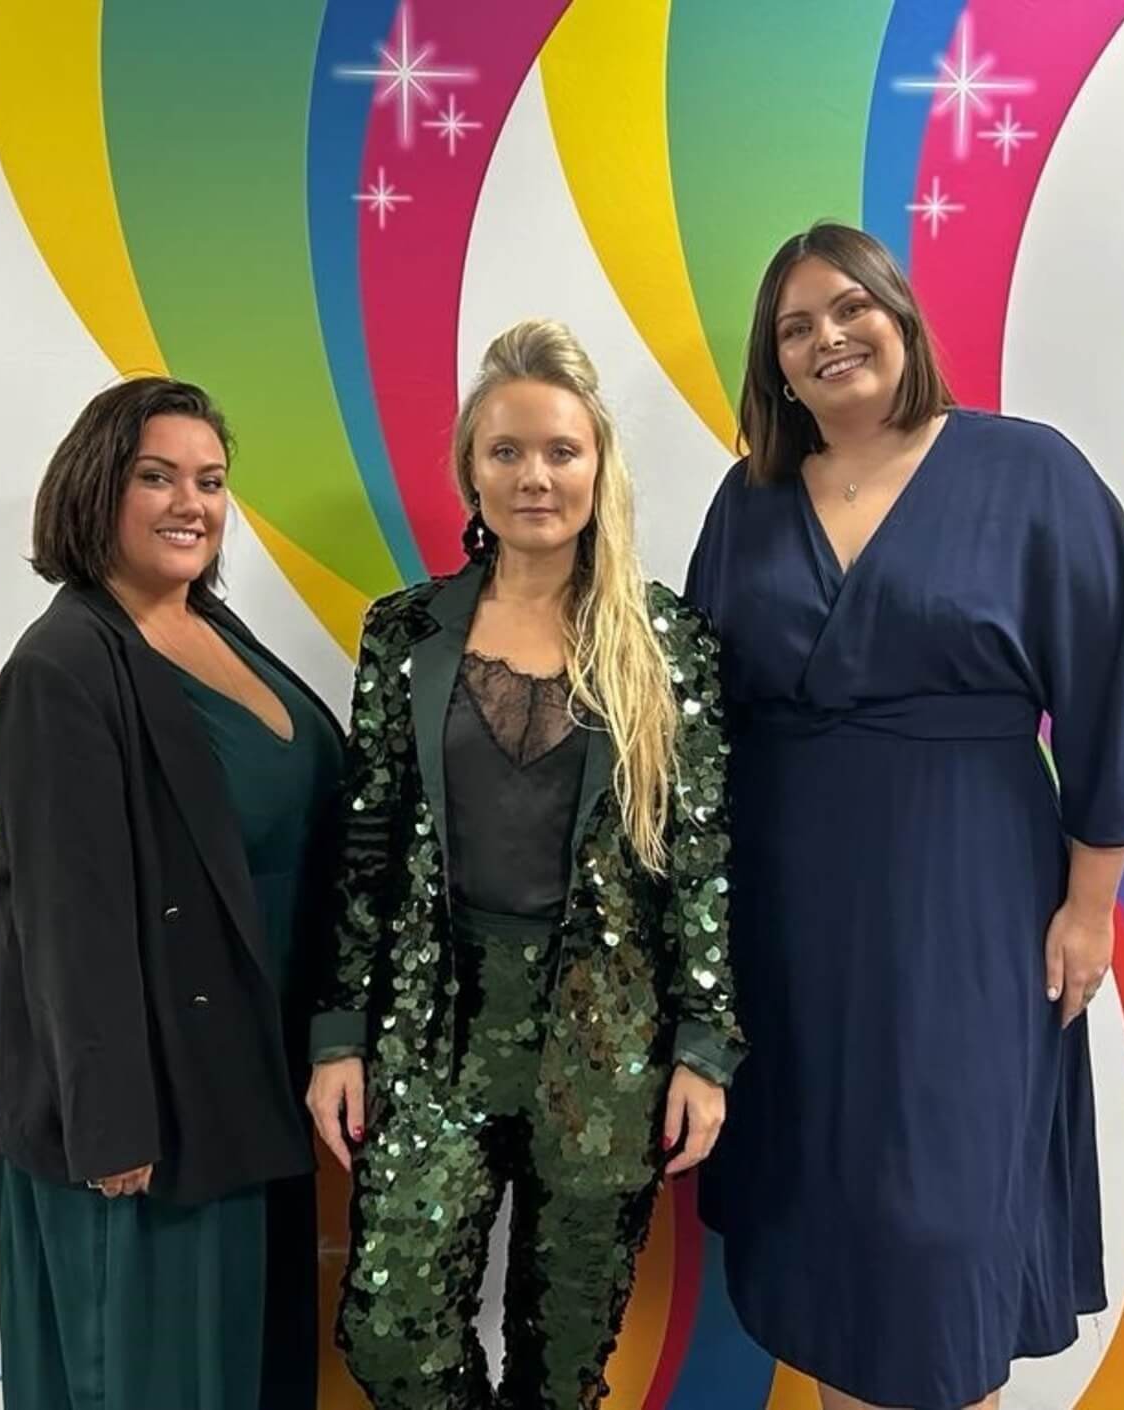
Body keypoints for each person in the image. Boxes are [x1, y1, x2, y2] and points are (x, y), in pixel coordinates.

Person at [686, 223, 1124, 1410]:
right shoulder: (746, 498)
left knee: (939, 1222)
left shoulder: (1027, 472)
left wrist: (1087, 906)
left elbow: (1117, 684)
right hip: (787, 912)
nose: (826, 338)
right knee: (826, 1216)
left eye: (849, 308)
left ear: (901, 319)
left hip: (970, 903)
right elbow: (694, 705)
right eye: (795, 327)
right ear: (775, 364)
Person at [305, 319, 743, 1409]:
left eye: (559, 450)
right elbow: (366, 848)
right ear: (470, 470)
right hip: (432, 1035)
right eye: (505, 452)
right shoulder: (403, 634)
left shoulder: (665, 643)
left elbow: (695, 862)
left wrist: (702, 1046)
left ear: (598, 464)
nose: (533, 476)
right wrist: (335, 1034)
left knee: (565, 1365)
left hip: (605, 1043)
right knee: (390, 1332)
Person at [0, 377, 342, 1409]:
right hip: (148, 1125)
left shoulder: (211, 626)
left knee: (243, 1377)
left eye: (211, 480)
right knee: (144, 1381)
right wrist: (112, 1128)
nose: (191, 502)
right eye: (158, 476)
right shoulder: (65, 665)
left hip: (245, 1089)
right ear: (98, 488)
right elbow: (66, 917)